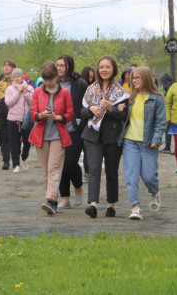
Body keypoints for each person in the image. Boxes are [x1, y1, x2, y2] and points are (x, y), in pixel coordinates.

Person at [81, 56, 128, 218]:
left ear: (113, 69)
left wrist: (111, 109)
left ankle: (111, 205)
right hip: (92, 135)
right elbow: (82, 112)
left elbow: (124, 116)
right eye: (101, 67)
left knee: (111, 171)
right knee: (93, 169)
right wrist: (91, 109)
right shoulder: (91, 89)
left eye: (108, 67)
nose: (104, 70)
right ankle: (93, 204)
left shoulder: (121, 92)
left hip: (112, 136)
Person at [118, 67, 166, 220]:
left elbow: (161, 122)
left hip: (148, 142)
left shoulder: (157, 98)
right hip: (130, 142)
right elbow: (122, 116)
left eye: (138, 77)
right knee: (131, 176)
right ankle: (135, 207)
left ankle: (154, 192)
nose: (134, 81)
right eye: (133, 78)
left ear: (145, 78)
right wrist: (119, 108)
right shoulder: (130, 97)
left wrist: (156, 139)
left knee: (149, 175)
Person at [28, 62, 74, 215]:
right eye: (45, 79)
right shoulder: (37, 92)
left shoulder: (65, 93)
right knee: (45, 171)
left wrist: (58, 117)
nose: (47, 82)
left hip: (58, 136)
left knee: (54, 169)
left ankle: (51, 200)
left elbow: (70, 114)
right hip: (41, 136)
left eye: (50, 79)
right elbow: (32, 113)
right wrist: (41, 115)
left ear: (56, 77)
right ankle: (52, 201)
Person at [56, 55, 88, 208]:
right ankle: (65, 198)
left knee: (70, 162)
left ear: (69, 66)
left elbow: (86, 104)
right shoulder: (54, 83)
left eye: (62, 65)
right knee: (59, 164)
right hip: (56, 129)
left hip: (74, 129)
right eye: (57, 65)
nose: (59, 68)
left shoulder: (79, 83)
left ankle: (78, 185)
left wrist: (81, 121)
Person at [4, 67, 33, 173]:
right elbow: (8, 103)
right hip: (13, 119)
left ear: (22, 77)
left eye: (18, 76)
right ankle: (16, 164)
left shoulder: (29, 88)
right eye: (14, 77)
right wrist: (18, 93)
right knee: (14, 142)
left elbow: (33, 102)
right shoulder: (9, 89)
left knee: (27, 142)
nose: (16, 78)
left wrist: (25, 93)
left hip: (26, 120)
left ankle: (24, 157)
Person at [0, 59, 16, 170]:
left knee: (14, 137)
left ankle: (16, 160)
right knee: (4, 137)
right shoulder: (0, 84)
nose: (6, 67)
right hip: (3, 111)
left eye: (9, 66)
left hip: (15, 111)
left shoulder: (16, 82)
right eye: (5, 65)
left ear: (13, 68)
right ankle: (6, 161)